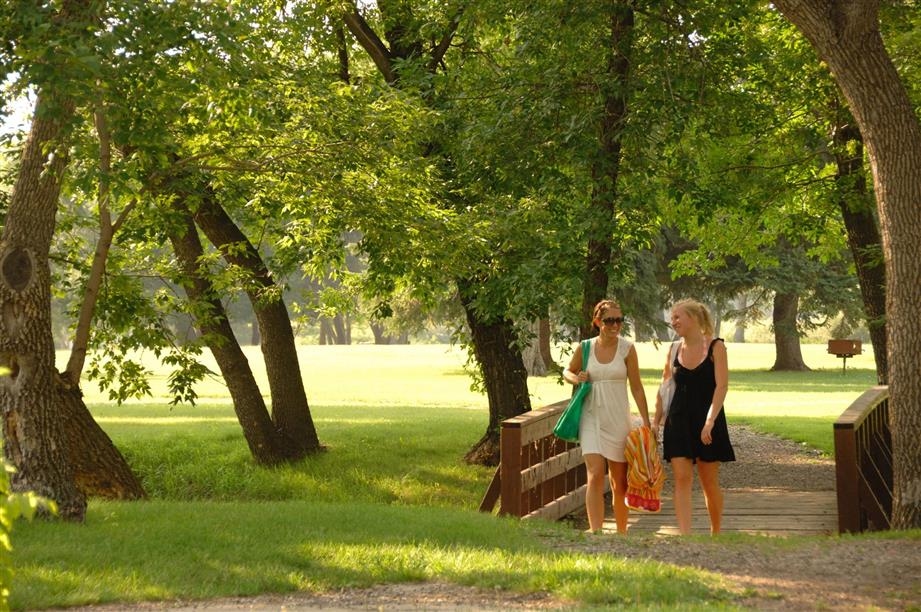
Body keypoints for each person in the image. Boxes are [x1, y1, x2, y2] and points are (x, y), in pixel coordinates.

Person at [563, 299, 650, 534]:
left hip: (618, 418)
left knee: (619, 481)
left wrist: (646, 422)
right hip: (591, 416)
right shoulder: (585, 347)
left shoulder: (627, 349)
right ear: (597, 321)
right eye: (609, 320)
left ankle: (621, 533)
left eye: (619, 320)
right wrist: (576, 378)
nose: (615, 325)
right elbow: (567, 370)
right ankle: (596, 532)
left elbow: (637, 387)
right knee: (594, 474)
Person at [654, 298, 735, 535]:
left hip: (708, 421)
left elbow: (722, 387)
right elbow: (664, 387)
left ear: (694, 318)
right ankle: (685, 536)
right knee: (681, 478)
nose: (673, 321)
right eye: (672, 317)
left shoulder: (716, 347)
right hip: (678, 420)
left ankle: (715, 533)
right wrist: (655, 421)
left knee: (708, 481)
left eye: (677, 316)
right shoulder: (673, 349)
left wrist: (710, 421)